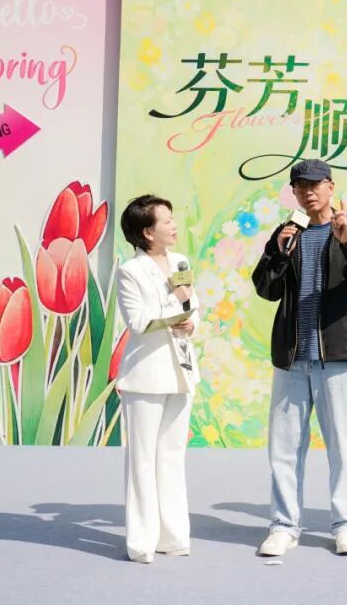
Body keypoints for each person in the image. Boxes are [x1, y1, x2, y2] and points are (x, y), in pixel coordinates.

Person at [251, 159, 347, 557]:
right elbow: (265, 289)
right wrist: (279, 254)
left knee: (342, 448)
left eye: (315, 184)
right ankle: (283, 526)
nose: (308, 192)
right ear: (293, 192)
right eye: (300, 186)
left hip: (338, 357)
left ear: (331, 187)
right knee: (284, 450)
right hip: (292, 359)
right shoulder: (287, 233)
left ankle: (346, 526)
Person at [115, 195, 201, 564]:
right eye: (165, 221)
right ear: (148, 232)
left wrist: (191, 321)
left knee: (171, 456)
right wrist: (173, 305)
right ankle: (141, 541)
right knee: (142, 460)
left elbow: (193, 308)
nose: (173, 225)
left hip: (181, 371)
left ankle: (174, 536)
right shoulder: (131, 272)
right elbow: (137, 322)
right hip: (146, 376)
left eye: (171, 218)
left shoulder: (181, 262)